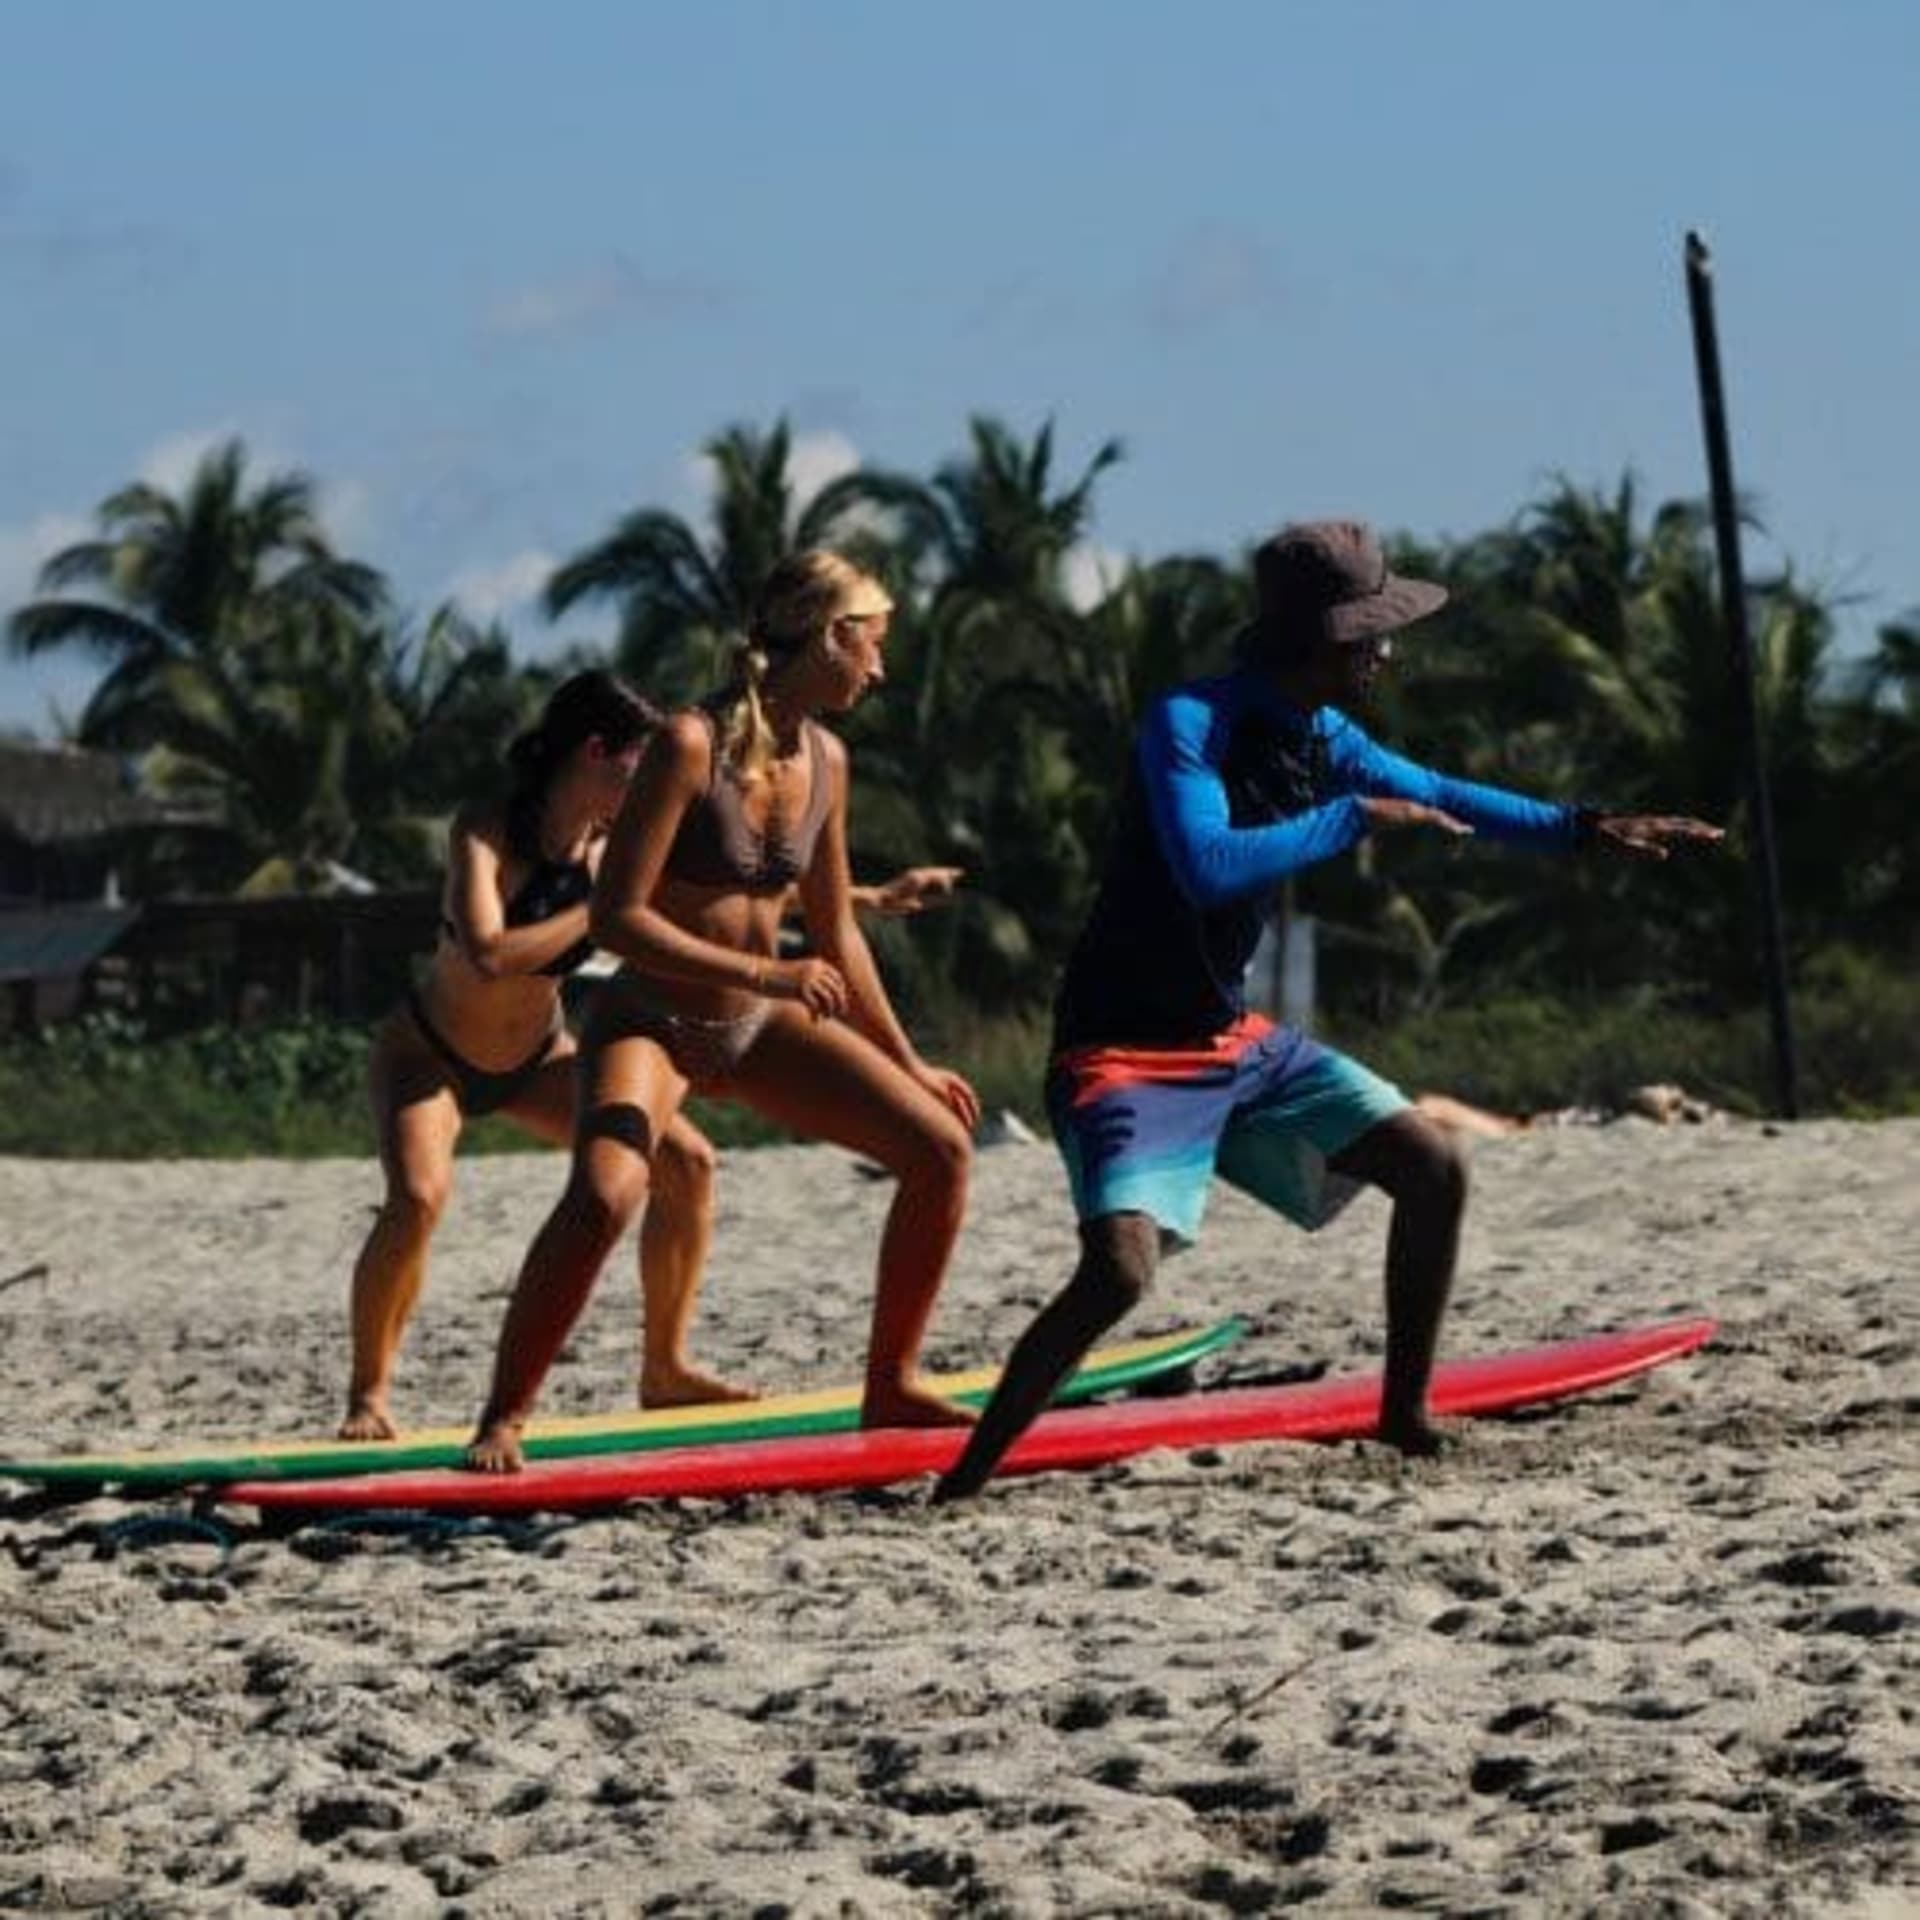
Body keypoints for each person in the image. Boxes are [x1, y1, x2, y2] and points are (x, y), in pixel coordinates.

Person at [933, 519, 1723, 1500]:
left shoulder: (1323, 734)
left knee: (1432, 1162)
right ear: (1324, 640)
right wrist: (1349, 817)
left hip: (1233, 1044)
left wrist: (1587, 828)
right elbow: (1205, 864)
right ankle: (964, 1480)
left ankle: (1403, 1417)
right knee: (1121, 1276)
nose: (1388, 654)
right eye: (1374, 637)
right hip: (1122, 1053)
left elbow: (1440, 791)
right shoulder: (1189, 723)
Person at [343, 666, 962, 1441]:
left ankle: (664, 1369)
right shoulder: (488, 829)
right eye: (639, 766)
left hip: (540, 1057)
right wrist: (604, 914)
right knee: (419, 1200)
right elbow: (489, 951)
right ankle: (369, 1395)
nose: (654, 784)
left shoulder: (610, 846)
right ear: (596, 754)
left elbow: (731, 890)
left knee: (689, 1164)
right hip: (429, 1057)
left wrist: (872, 898)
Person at [465, 551, 981, 1471]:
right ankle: (503, 1416)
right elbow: (622, 917)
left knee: (940, 1148)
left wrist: (909, 1062)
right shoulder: (688, 745)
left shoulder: (828, 758)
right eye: (873, 644)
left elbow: (836, 933)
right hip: (651, 1022)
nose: (881, 667)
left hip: (755, 1025)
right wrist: (772, 972)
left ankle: (891, 1381)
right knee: (605, 1194)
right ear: (832, 635)